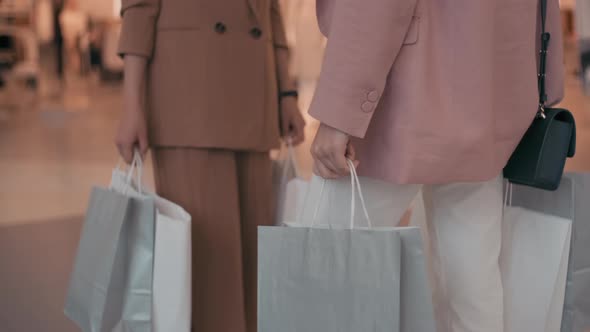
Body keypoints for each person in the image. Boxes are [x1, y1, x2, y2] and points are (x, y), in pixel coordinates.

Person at [309, 0, 564, 331]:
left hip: (399, 103)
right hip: (485, 101)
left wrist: (340, 112)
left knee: (326, 271)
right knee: (472, 286)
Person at [115, 0, 305, 331]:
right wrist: (132, 102)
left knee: (253, 262)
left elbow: (271, 10)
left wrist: (286, 91)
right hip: (190, 95)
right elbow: (139, 8)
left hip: (255, 92)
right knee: (209, 266)